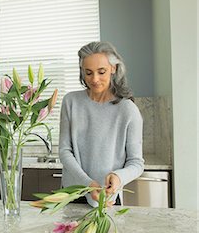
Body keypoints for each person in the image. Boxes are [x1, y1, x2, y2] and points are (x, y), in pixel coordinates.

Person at [59, 41, 144, 207]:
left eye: (101, 72)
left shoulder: (128, 110)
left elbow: (136, 163)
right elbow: (64, 150)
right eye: (88, 73)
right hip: (72, 193)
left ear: (113, 68)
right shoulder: (71, 102)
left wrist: (119, 177)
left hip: (108, 198)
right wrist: (87, 183)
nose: (95, 79)